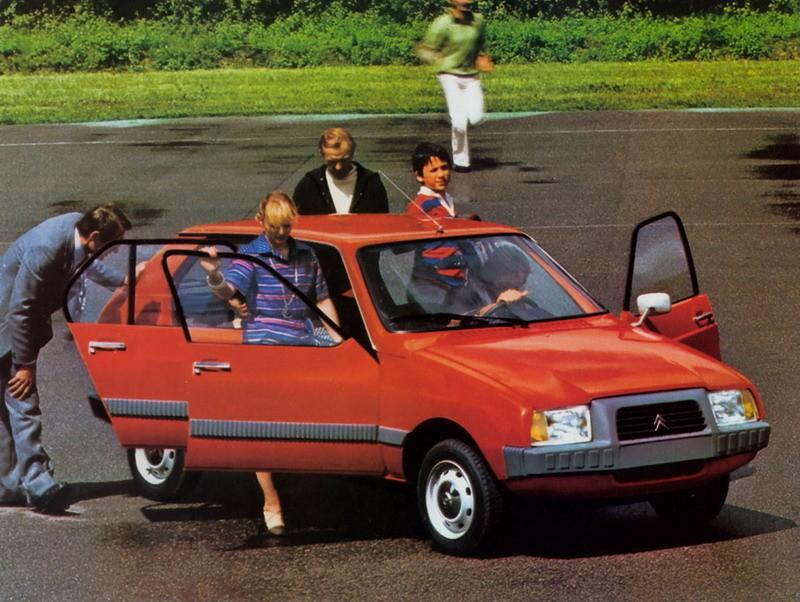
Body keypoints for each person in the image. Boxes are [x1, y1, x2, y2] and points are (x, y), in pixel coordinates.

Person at [199, 191, 341, 534]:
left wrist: (338, 339)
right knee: (264, 420)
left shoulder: (306, 253)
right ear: (261, 221)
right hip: (265, 334)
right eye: (275, 227)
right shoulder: (251, 254)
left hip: (303, 333)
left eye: (287, 226)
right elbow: (229, 290)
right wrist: (214, 275)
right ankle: (271, 500)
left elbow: (322, 299)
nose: (280, 233)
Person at [0, 203, 132, 513]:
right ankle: (39, 485)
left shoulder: (77, 227)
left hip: (12, 320)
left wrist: (123, 281)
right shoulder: (46, 249)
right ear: (95, 236)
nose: (115, 251)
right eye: (113, 244)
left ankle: (8, 487)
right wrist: (25, 365)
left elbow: (86, 263)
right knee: (23, 400)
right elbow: (21, 309)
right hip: (8, 324)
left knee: (6, 412)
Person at [417, 0, 491, 172]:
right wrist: (435, 57)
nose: (465, 2)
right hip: (449, 75)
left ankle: (454, 115)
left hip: (471, 76)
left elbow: (480, 45)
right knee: (459, 122)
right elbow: (426, 49)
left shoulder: (478, 21)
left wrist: (482, 57)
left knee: (476, 117)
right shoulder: (442, 23)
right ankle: (461, 162)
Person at [293, 127, 389, 215]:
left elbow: (383, 222)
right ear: (321, 154)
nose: (338, 167)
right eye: (332, 162)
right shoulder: (309, 186)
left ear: (353, 152)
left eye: (344, 160)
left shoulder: (371, 184)